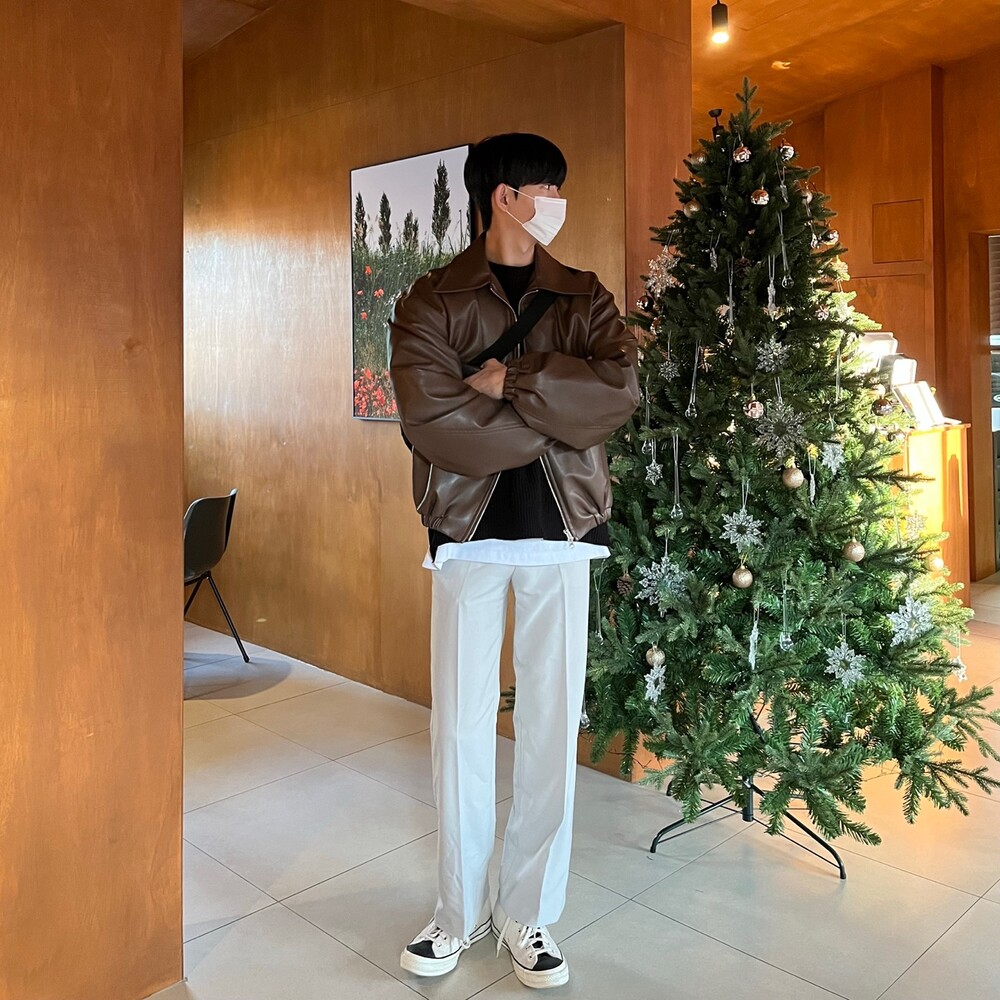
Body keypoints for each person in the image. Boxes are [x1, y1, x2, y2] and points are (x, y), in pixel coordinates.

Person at [388, 132, 639, 990]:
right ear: (505, 196)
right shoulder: (431, 300)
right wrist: (556, 412)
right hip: (466, 534)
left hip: (563, 531)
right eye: (548, 188)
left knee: (550, 728)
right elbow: (431, 421)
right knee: (458, 728)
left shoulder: (585, 296)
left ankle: (529, 914)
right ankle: (456, 915)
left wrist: (515, 380)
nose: (557, 202)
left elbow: (617, 394)